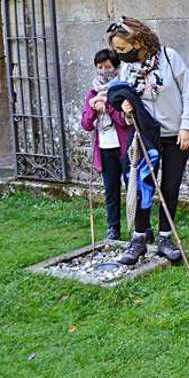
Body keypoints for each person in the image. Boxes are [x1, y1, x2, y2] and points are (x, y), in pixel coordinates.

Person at [105, 16, 189, 265]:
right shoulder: (127, 68)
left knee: (170, 187)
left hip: (176, 135)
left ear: (138, 41)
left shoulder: (169, 58)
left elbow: (188, 93)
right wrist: (125, 108)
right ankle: (139, 239)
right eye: (117, 50)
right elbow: (125, 100)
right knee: (143, 187)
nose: (120, 55)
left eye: (123, 49)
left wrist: (187, 126)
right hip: (146, 137)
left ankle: (165, 239)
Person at [80, 49, 130, 240]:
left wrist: (108, 105)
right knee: (111, 191)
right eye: (100, 67)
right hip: (105, 148)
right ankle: (113, 228)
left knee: (133, 189)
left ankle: (141, 229)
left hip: (124, 148)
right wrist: (93, 108)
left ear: (116, 68)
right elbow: (86, 124)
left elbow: (125, 121)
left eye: (108, 67)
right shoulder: (92, 93)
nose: (103, 71)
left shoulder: (122, 90)